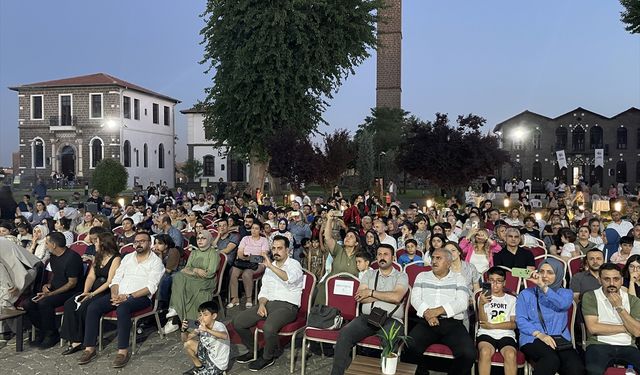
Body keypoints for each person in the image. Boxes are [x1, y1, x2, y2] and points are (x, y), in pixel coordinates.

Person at [78, 231, 164, 368]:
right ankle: (89, 348)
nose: (138, 244)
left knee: (123, 308)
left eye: (142, 241)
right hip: (119, 294)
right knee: (93, 307)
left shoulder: (156, 262)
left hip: (139, 297)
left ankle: (123, 351)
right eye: (136, 242)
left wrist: (128, 296)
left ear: (149, 243)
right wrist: (114, 294)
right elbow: (116, 279)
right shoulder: (128, 258)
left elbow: (150, 287)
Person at [331, 244, 408, 375]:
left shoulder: (401, 276)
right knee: (344, 334)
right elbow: (360, 297)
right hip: (367, 317)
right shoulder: (369, 274)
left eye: (386, 254)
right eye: (379, 254)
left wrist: (371, 292)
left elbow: (396, 297)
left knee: (388, 341)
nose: (382, 257)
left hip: (392, 319)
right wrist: (386, 295)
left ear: (393, 257)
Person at [233, 235, 304, 371]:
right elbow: (264, 290)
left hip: (288, 306)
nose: (276, 251)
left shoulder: (294, 264)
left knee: (269, 327)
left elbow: (288, 278)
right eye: (274, 248)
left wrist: (270, 266)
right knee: (238, 322)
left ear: (287, 250)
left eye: (280, 248)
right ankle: (254, 350)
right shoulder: (270, 268)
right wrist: (261, 304)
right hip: (268, 303)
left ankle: (268, 356)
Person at [403, 248, 475, 375]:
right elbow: (415, 299)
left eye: (438, 258)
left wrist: (436, 312)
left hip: (452, 323)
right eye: (433, 258)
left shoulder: (459, 279)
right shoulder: (422, 276)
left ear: (448, 263)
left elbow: (462, 302)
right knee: (409, 347)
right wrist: (428, 314)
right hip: (426, 322)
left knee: (468, 354)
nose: (434, 261)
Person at [515, 258, 584, 375]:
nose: (545, 275)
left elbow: (562, 304)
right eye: (542, 271)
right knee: (551, 360)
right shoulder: (526, 293)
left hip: (560, 339)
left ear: (558, 275)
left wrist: (544, 288)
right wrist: (540, 335)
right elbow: (521, 320)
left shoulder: (566, 293)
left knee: (576, 368)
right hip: (533, 338)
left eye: (550, 272)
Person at [59, 232, 121, 355]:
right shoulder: (97, 256)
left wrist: (92, 294)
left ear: (104, 243)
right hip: (92, 290)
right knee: (70, 304)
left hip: (106, 291)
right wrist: (86, 292)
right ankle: (73, 338)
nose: (94, 243)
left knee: (84, 308)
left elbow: (110, 281)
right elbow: (91, 277)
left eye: (97, 241)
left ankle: (81, 339)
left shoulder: (116, 258)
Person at [23, 232, 83, 348]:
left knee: (44, 302)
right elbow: (56, 274)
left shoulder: (72, 258)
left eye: (47, 243)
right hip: (55, 289)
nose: (45, 245)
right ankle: (42, 330)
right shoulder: (53, 257)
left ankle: (51, 334)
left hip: (70, 292)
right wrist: (48, 285)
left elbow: (72, 283)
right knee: (28, 303)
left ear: (54, 244)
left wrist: (51, 294)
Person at [582, 263, 640, 374]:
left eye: (616, 279)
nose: (612, 283)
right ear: (600, 280)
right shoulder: (590, 296)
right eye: (607, 279)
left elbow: (637, 332)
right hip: (598, 345)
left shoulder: (633, 300)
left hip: (628, 345)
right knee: (594, 371)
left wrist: (619, 307)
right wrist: (627, 327)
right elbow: (593, 328)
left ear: (622, 280)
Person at [164, 230, 220, 334]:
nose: (200, 240)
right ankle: (176, 310)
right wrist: (196, 270)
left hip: (206, 281)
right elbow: (185, 269)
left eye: (203, 238)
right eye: (198, 238)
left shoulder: (213, 254)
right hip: (192, 278)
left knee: (183, 282)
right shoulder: (194, 252)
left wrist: (192, 271)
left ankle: (175, 309)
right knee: (178, 276)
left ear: (209, 240)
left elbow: (209, 274)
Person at [477, 267, 518, 375]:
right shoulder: (483, 298)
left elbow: (513, 324)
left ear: (504, 282)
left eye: (499, 281)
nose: (495, 284)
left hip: (506, 334)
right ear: (487, 281)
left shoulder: (512, 299)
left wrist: (492, 326)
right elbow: (483, 322)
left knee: (510, 354)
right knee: (485, 352)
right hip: (486, 333)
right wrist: (481, 305)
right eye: (491, 280)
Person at [314, 214, 360, 305]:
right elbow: (327, 237)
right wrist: (329, 219)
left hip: (349, 289)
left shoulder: (359, 256)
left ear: (356, 243)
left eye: (351, 237)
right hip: (331, 286)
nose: (348, 238)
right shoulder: (339, 250)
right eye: (347, 236)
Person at [181, 301, 230, 375]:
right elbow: (185, 339)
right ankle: (199, 367)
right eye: (200, 315)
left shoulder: (219, 326)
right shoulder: (201, 326)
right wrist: (183, 330)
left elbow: (224, 336)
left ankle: (219, 372)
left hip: (218, 363)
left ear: (213, 316)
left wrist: (207, 330)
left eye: (205, 315)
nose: (202, 318)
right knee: (188, 344)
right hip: (207, 355)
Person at [227, 222, 269, 309]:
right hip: (244, 262)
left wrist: (249, 258)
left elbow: (262, 257)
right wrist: (244, 257)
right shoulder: (245, 238)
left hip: (258, 263)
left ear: (260, 230)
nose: (253, 230)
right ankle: (235, 298)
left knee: (246, 273)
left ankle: (249, 298)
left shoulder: (264, 240)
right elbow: (240, 252)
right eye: (252, 228)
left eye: (256, 228)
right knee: (233, 271)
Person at [152, 234, 181, 310]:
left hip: (177, 273)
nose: (156, 245)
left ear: (166, 245)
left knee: (164, 278)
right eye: (155, 243)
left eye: (160, 243)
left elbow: (168, 271)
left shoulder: (173, 251)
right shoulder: (156, 253)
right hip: (165, 272)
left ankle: (162, 303)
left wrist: (160, 256)